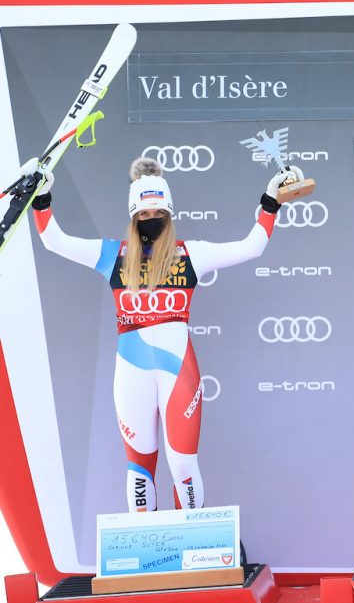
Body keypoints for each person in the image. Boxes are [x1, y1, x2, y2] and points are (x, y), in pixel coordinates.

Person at [26, 156, 300, 512]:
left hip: (178, 372)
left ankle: (193, 549)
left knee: (183, 464)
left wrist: (270, 201)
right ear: (133, 216)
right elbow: (54, 241)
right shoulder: (114, 255)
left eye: (158, 215)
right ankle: (148, 555)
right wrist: (41, 199)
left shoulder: (190, 255)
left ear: (169, 215)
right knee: (139, 469)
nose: (151, 221)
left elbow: (252, 246)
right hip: (131, 372)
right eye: (143, 215)